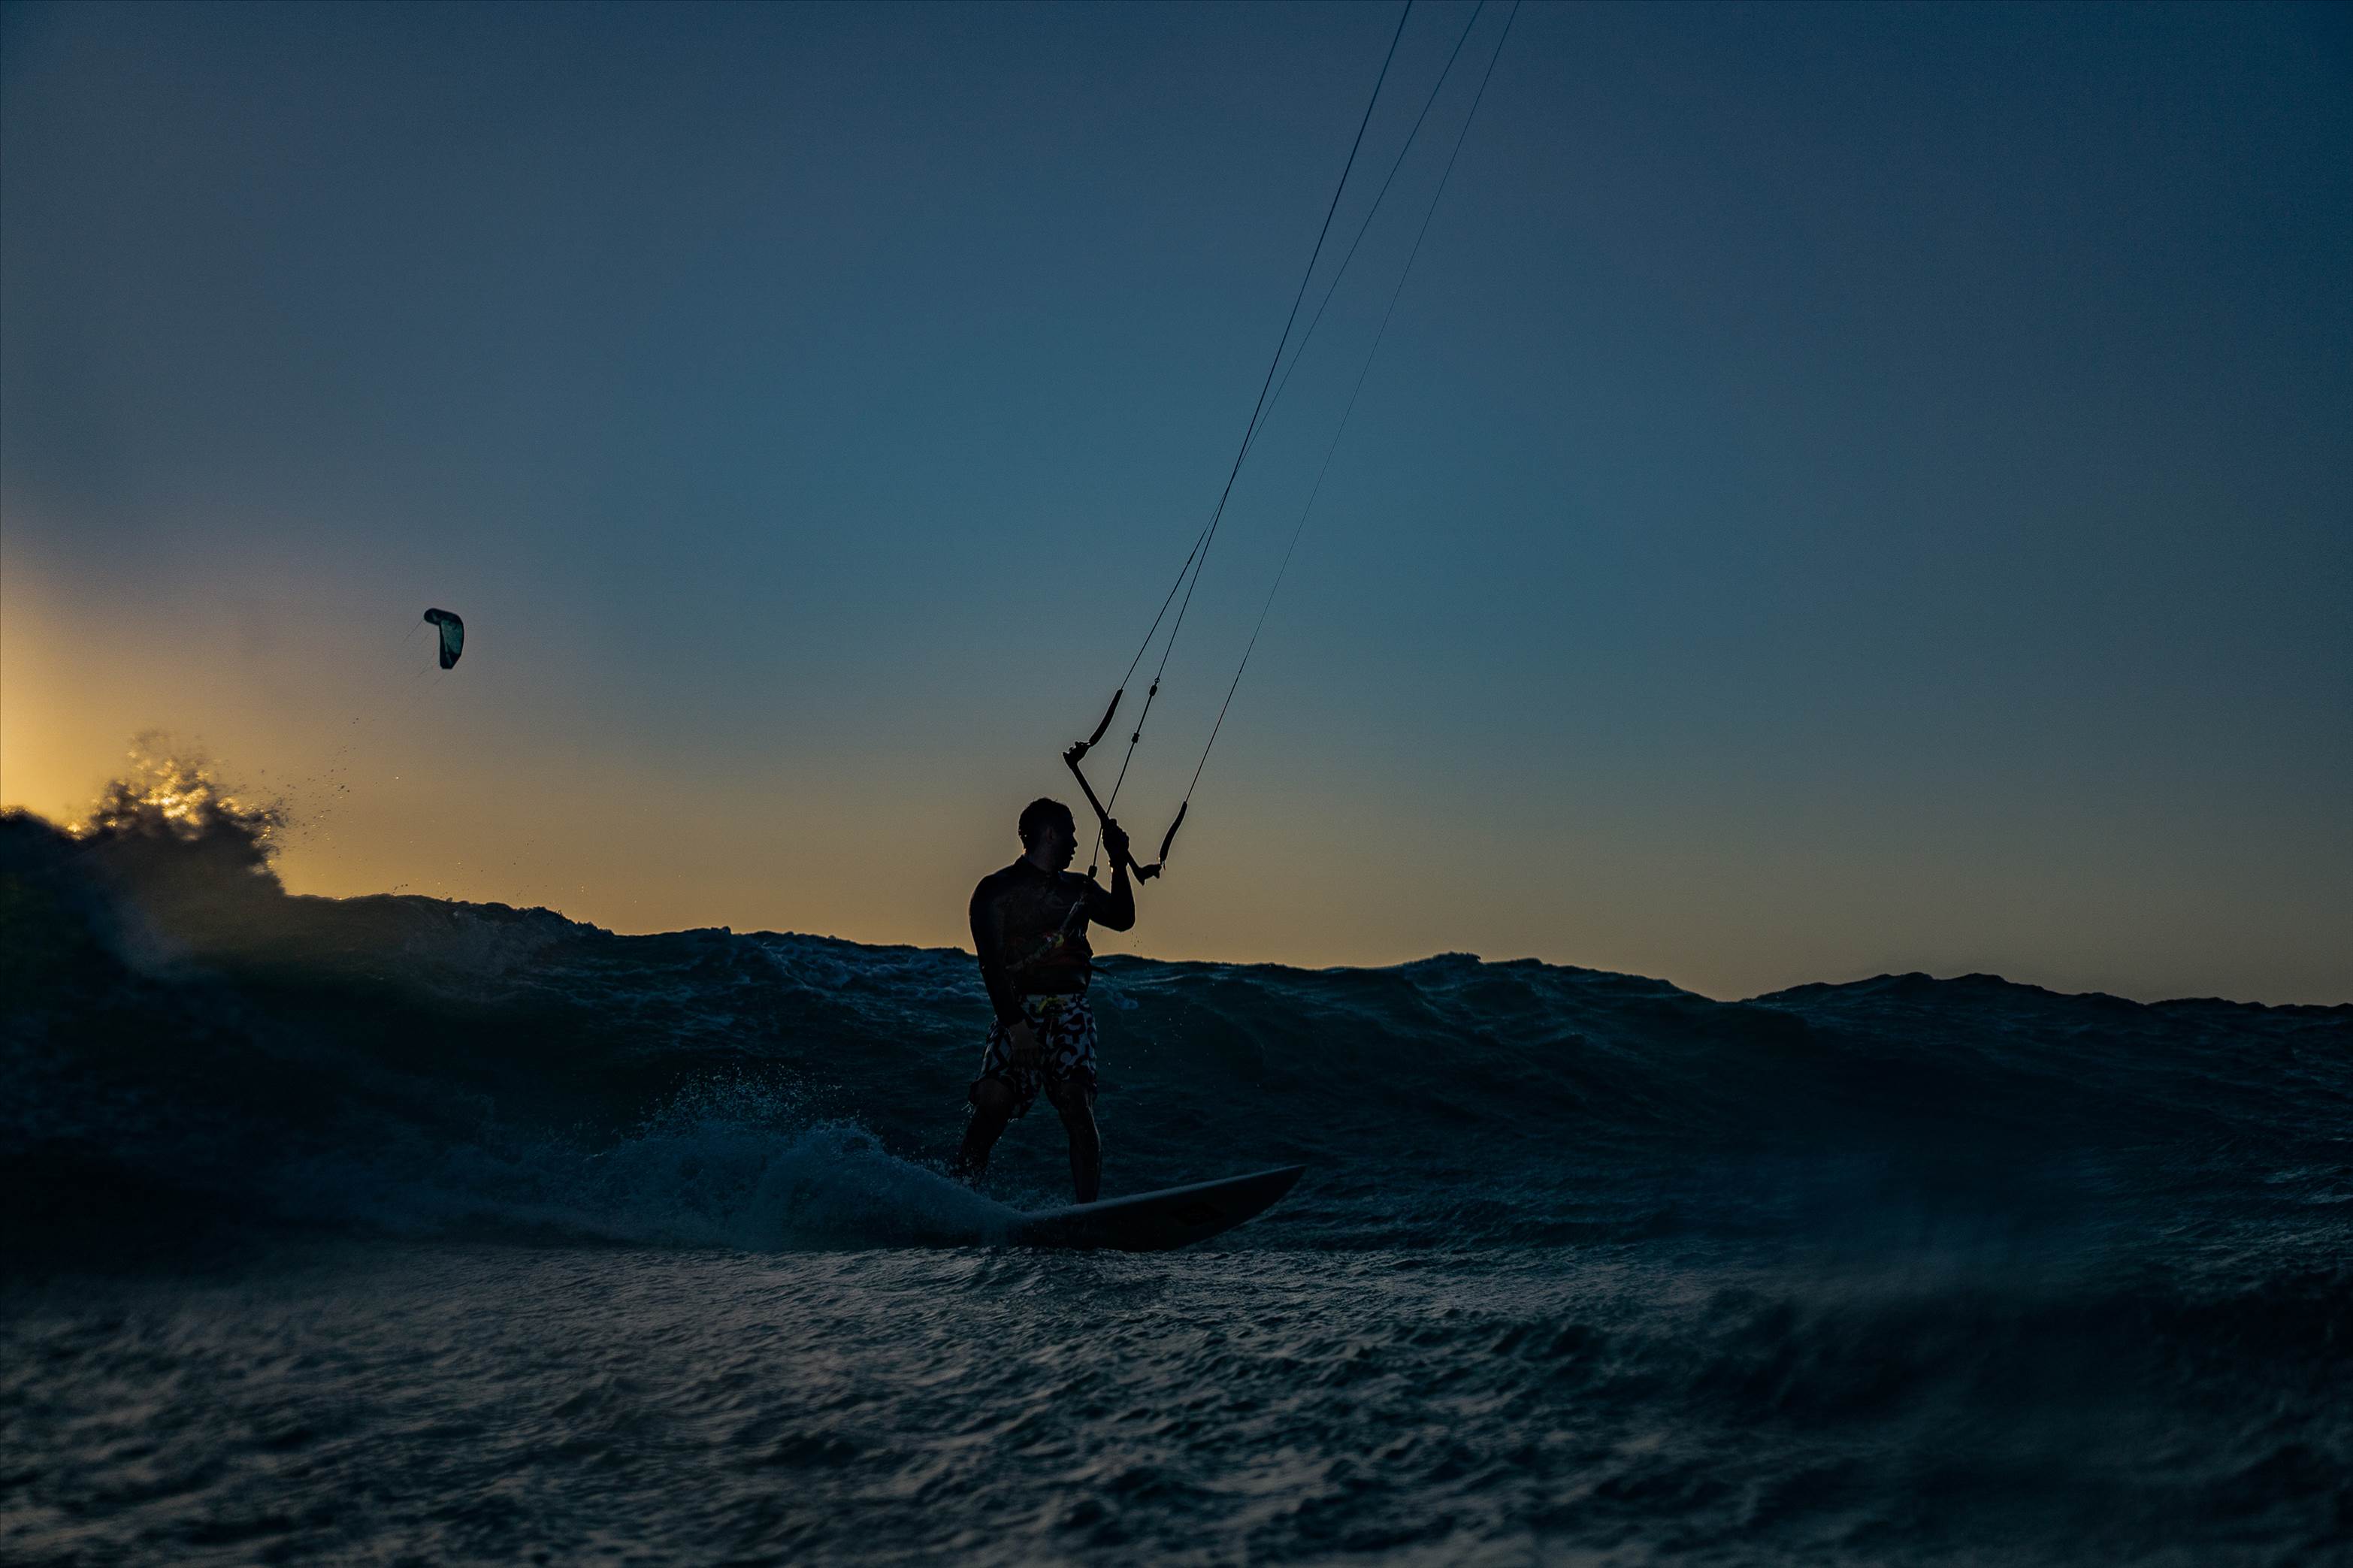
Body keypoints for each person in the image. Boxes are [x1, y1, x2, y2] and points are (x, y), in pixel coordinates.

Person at [955, 796, 1136, 1201]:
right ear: (1051, 834)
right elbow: (991, 966)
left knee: (1076, 1102)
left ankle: (1088, 1211)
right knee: (993, 1102)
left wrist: (1118, 861)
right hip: (1017, 1011)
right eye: (1071, 833)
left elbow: (1123, 919)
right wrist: (1017, 1028)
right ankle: (960, 1196)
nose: (1076, 843)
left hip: (1071, 1012)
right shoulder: (995, 891)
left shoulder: (1079, 889)